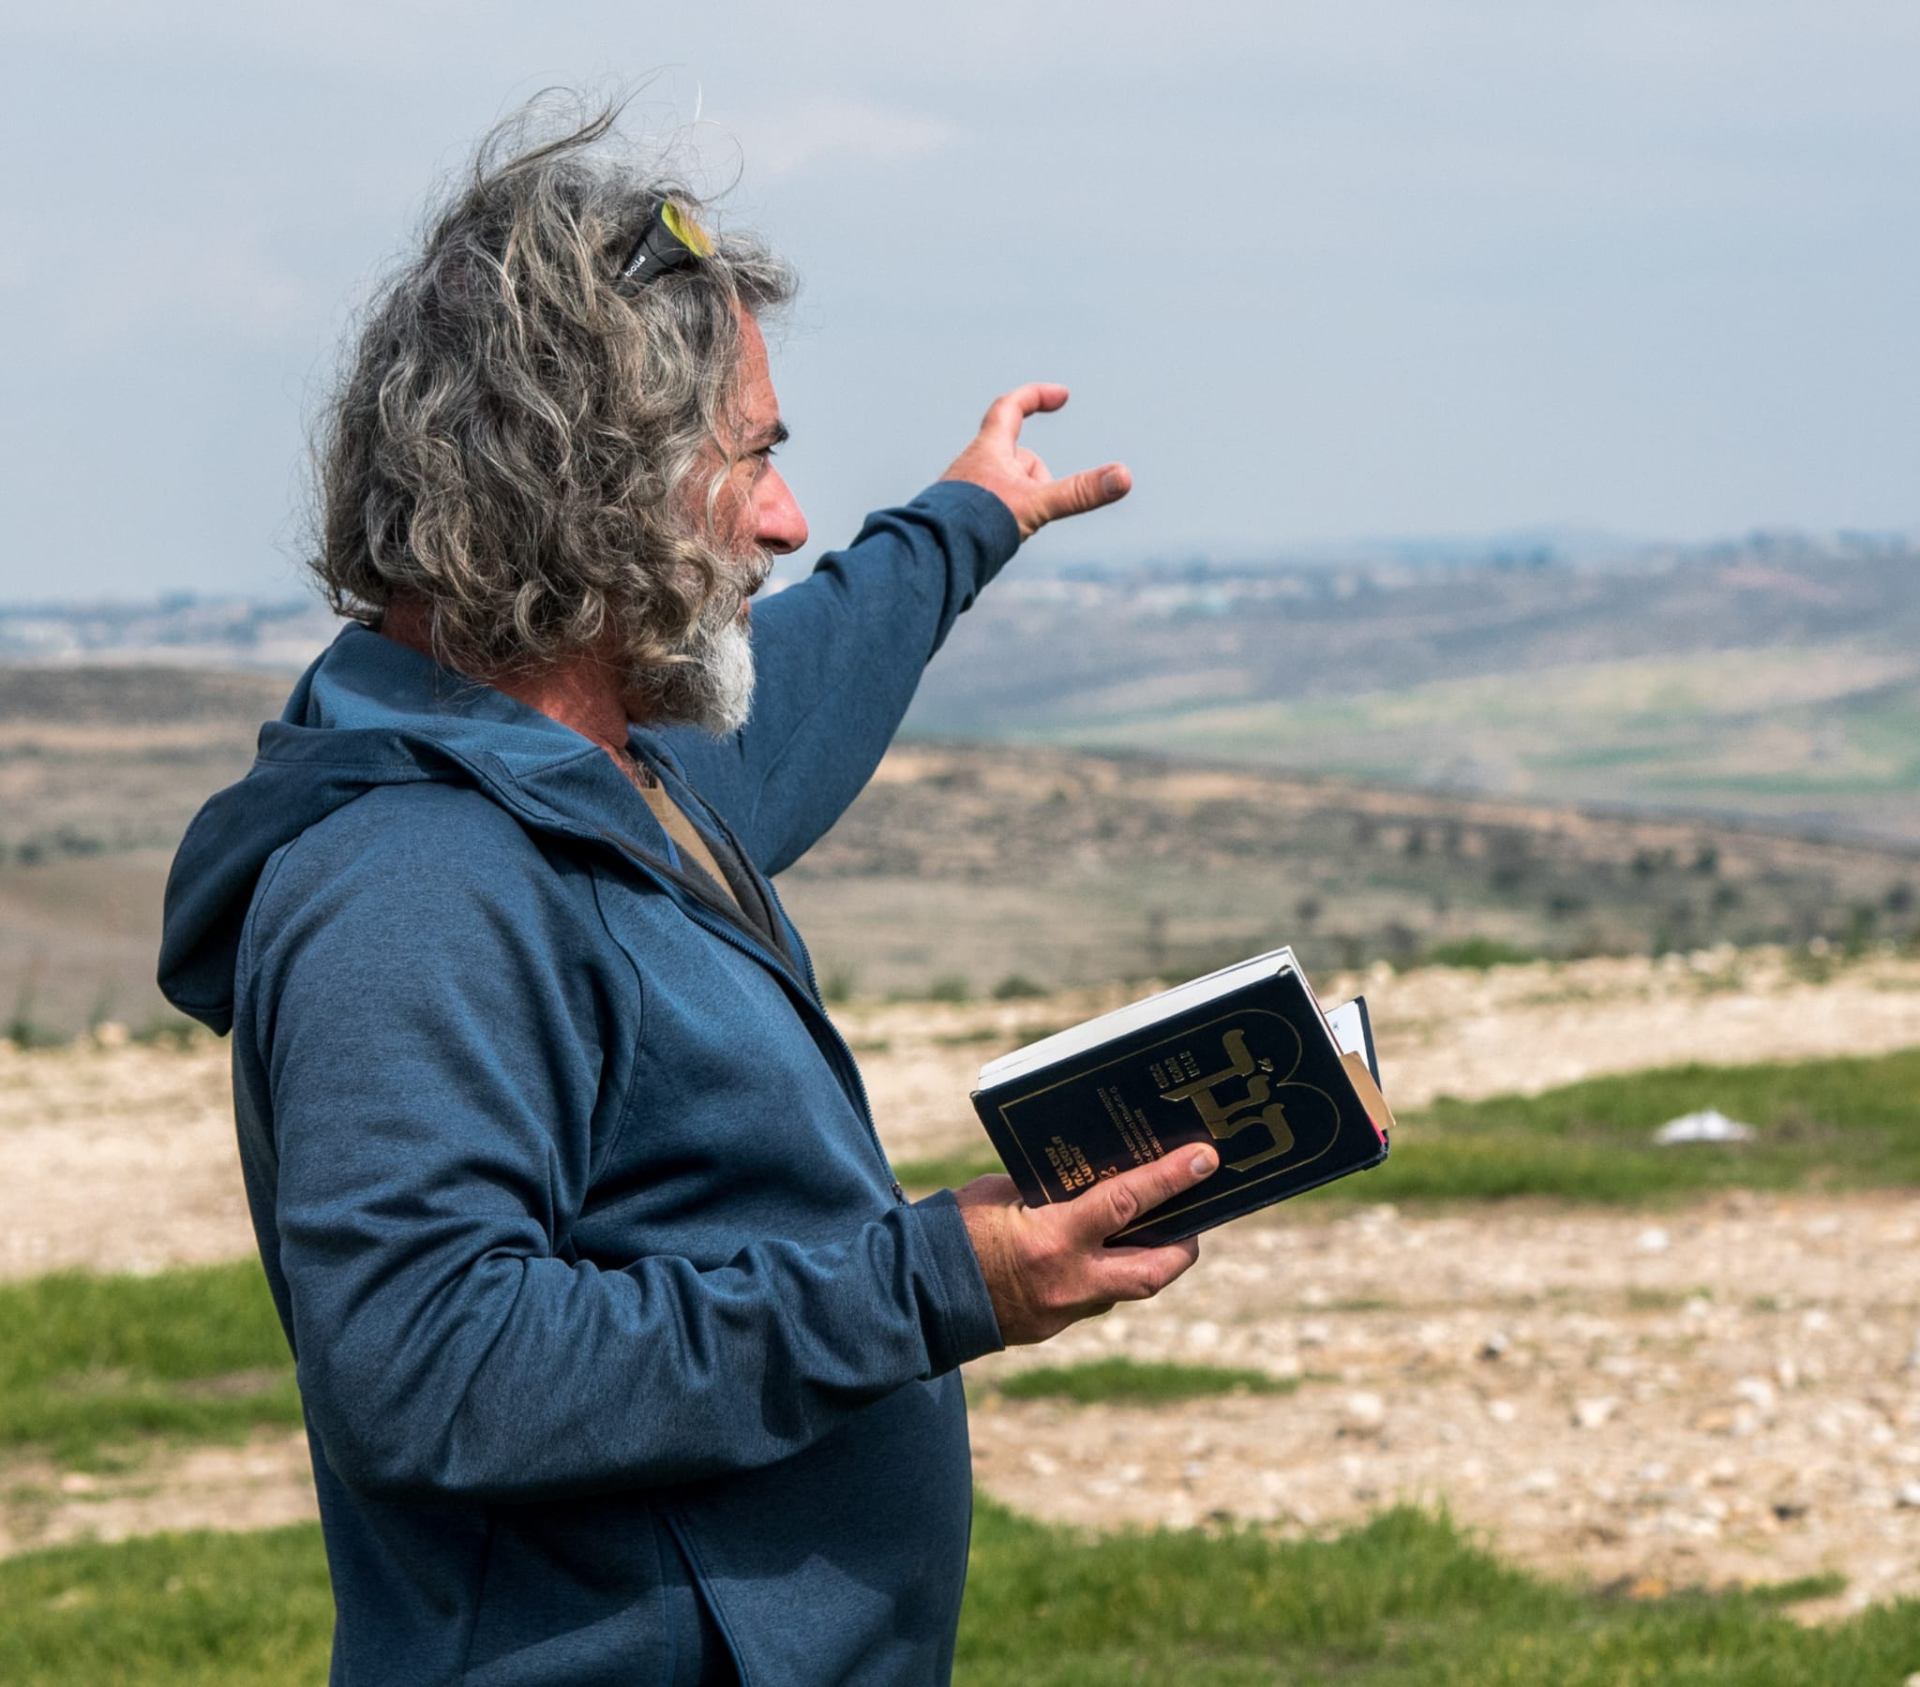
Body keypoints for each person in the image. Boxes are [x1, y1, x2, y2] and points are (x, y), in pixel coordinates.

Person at [158, 99, 1216, 1687]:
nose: (787, 520)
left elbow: (804, 685)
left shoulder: (613, 771)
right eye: (755, 461)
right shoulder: (414, 884)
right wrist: (933, 1282)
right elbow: (432, 1370)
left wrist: (968, 522)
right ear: (581, 490)